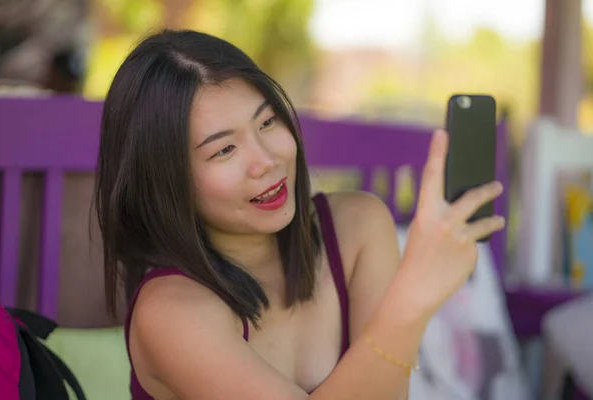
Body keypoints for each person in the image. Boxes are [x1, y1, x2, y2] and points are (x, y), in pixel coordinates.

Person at [94, 29, 506, 400]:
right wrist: (411, 299)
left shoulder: (357, 228)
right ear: (166, 181)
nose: (266, 161)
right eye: (224, 149)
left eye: (268, 122)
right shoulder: (170, 311)